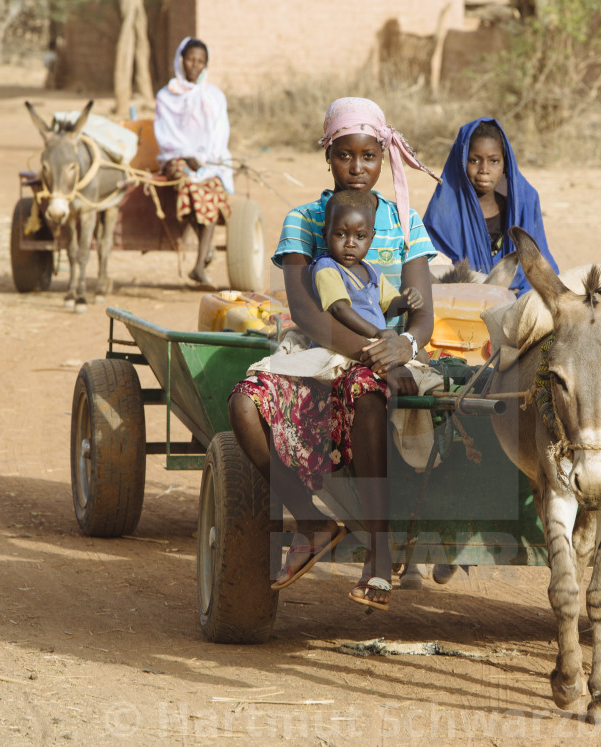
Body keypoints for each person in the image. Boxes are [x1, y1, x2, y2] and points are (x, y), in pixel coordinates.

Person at [228, 97, 439, 611]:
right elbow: (306, 311)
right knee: (243, 404)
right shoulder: (304, 219)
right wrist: (373, 352)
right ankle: (313, 521)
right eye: (346, 155)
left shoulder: (406, 222)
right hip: (322, 351)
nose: (358, 168)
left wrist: (404, 346)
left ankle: (381, 554)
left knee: (368, 395)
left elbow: (421, 313)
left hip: (388, 360)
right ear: (329, 156)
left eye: (370, 156)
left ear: (384, 157)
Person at [423, 117, 557, 295]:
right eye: (474, 160)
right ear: (461, 162)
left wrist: (514, 298)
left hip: (520, 302)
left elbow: (538, 265)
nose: (484, 169)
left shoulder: (524, 203)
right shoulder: (443, 212)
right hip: (460, 304)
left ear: (505, 164)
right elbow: (435, 273)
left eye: (494, 161)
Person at [154, 37, 234, 285]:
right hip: (175, 158)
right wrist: (185, 155)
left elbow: (220, 135)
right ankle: (203, 255)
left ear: (205, 65)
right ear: (181, 60)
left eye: (200, 61)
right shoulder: (166, 96)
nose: (194, 66)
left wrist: (208, 158)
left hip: (208, 160)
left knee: (212, 188)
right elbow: (164, 135)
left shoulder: (215, 96)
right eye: (190, 60)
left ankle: (198, 265)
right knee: (189, 186)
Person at [313, 189, 423, 340]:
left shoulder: (373, 272)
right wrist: (375, 333)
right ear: (325, 236)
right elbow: (338, 308)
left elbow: (390, 305)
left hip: (373, 344)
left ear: (371, 238)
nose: (350, 244)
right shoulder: (327, 267)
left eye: (360, 236)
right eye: (341, 234)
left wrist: (406, 301)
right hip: (344, 346)